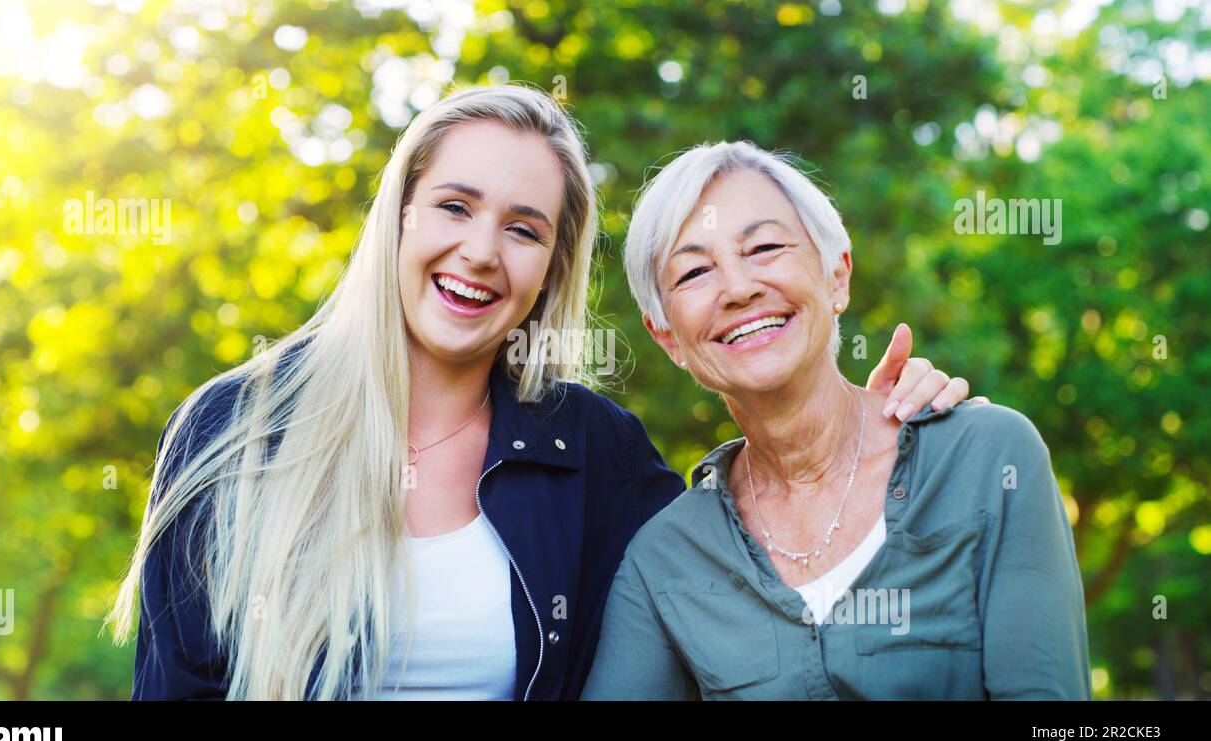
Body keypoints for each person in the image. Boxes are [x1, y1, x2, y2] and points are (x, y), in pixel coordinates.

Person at [107, 86, 975, 700]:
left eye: (523, 229)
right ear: (399, 216)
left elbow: (753, 575)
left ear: (549, 269)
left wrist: (879, 426)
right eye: (454, 207)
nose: (482, 252)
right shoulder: (236, 428)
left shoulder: (596, 452)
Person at [582, 141, 1090, 700]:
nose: (738, 288)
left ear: (836, 276)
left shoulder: (989, 457)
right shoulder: (664, 559)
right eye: (696, 271)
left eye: (765, 247)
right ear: (668, 338)